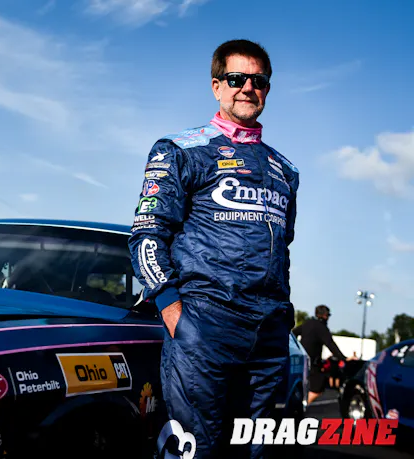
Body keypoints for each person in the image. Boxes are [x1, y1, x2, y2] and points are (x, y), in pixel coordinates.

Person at [129, 39, 299, 459]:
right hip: (205, 324)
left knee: (252, 452)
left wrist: (283, 318)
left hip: (268, 335)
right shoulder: (179, 149)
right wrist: (173, 311)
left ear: (267, 89)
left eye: (258, 80)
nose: (247, 88)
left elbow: (284, 249)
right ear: (217, 85)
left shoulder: (286, 170)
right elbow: (147, 235)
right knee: (195, 450)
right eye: (237, 78)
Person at [292, 305, 353, 404]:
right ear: (324, 315)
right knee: (317, 388)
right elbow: (330, 344)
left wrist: (298, 348)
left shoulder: (308, 323)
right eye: (328, 315)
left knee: (303, 386)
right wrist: (343, 358)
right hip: (313, 363)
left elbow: (293, 333)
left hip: (303, 360)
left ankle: (299, 406)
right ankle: (301, 407)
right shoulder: (321, 327)